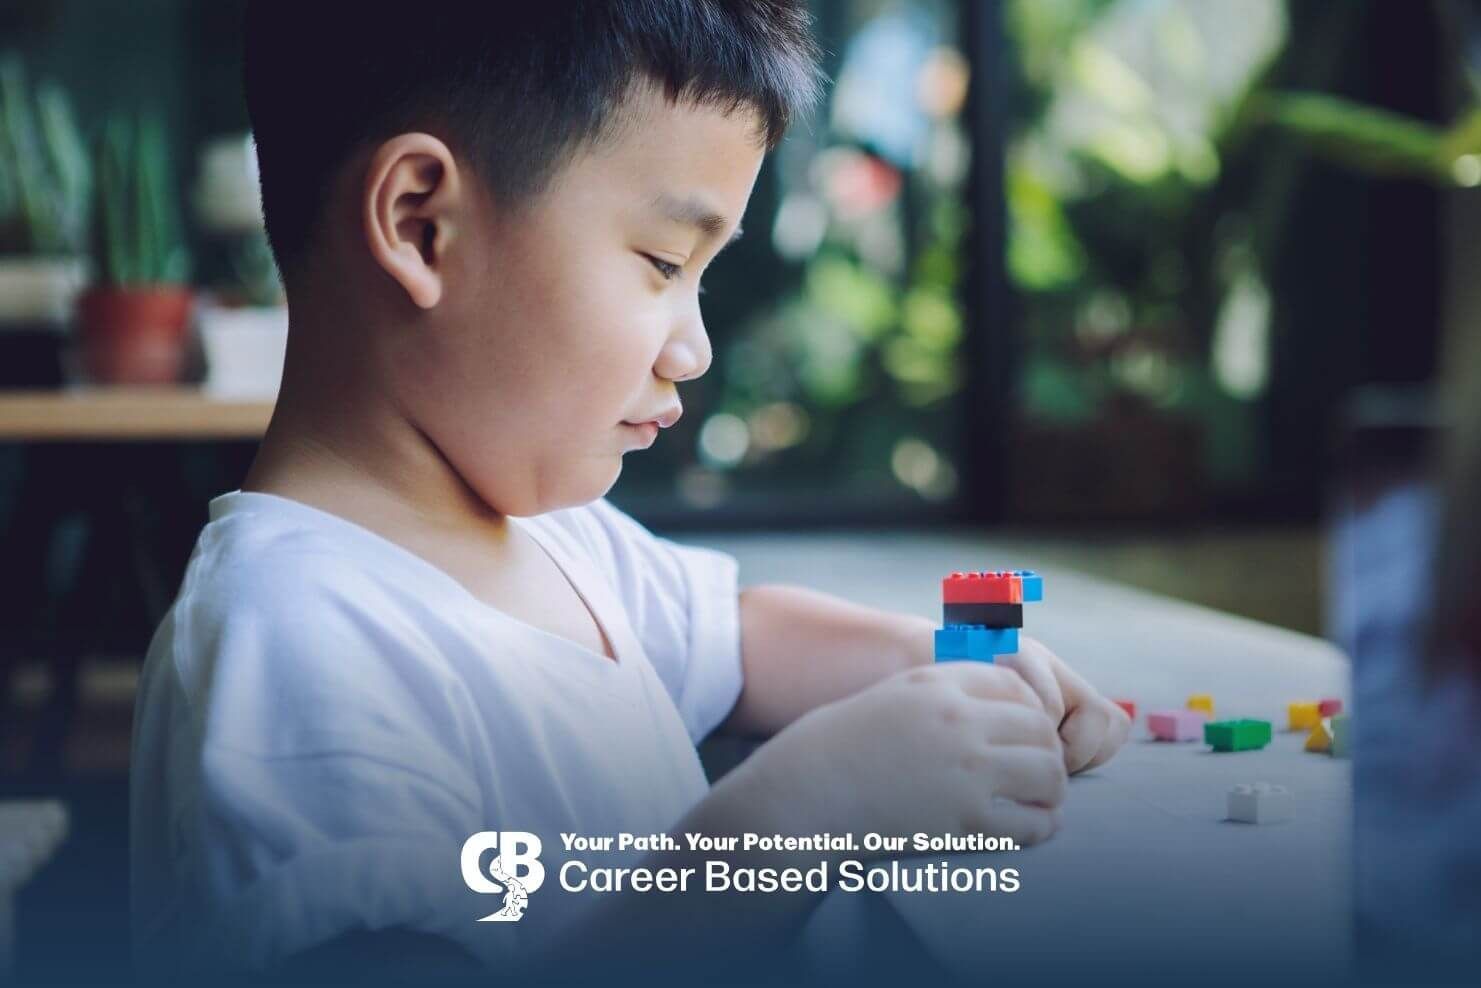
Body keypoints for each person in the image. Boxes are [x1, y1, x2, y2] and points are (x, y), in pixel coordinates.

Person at [129, 2, 1130, 980]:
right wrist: (800, 817)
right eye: (662, 262)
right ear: (421, 223)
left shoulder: (554, 536)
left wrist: (950, 663)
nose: (693, 349)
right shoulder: (295, 652)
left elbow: (735, 639)